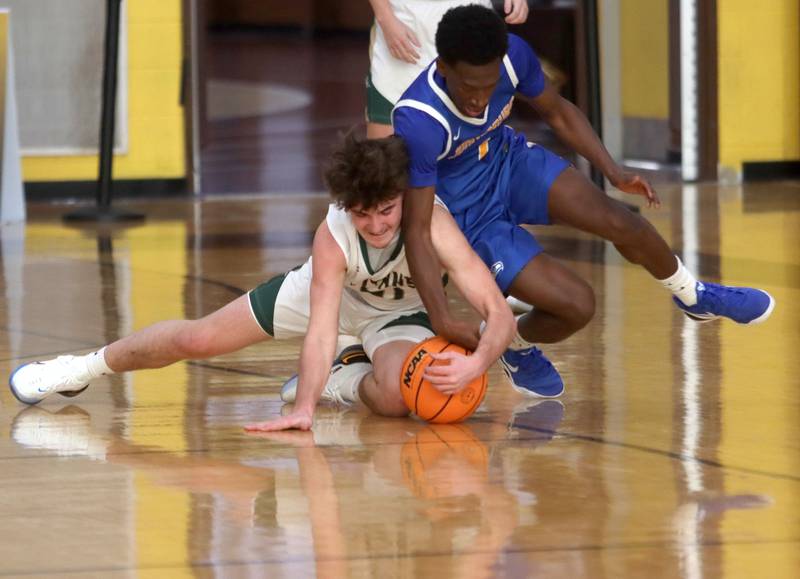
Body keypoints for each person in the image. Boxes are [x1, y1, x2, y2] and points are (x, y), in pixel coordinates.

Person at [8, 134, 515, 431]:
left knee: (399, 399)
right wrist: (301, 411)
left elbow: (499, 313)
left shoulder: (434, 225)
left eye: (387, 211)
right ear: (344, 208)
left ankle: (342, 379)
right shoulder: (333, 236)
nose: (379, 225)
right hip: (328, 294)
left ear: (404, 195)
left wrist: (476, 364)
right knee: (198, 338)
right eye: (364, 215)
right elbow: (319, 329)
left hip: (398, 313)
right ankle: (81, 367)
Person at [392, 5, 775, 398]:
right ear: (442, 68)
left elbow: (557, 113)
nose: (479, 99)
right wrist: (441, 318)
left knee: (622, 222)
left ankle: (694, 296)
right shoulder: (419, 121)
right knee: (577, 306)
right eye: (469, 87)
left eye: (487, 87)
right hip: (470, 215)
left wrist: (613, 171)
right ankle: (513, 345)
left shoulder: (514, 56)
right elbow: (418, 230)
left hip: (510, 163)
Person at [366, 0, 529, 139]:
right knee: (385, 157)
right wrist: (385, 18)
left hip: (470, 22)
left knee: (471, 151)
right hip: (406, 23)